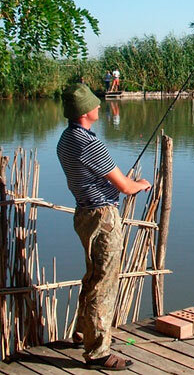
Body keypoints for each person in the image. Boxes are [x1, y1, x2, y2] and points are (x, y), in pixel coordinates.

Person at [56, 84, 151, 370]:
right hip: (102, 218)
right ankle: (98, 352)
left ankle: (84, 332)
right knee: (104, 282)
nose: (100, 108)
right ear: (85, 112)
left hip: (84, 214)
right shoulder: (89, 143)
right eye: (95, 105)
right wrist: (140, 185)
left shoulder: (66, 138)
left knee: (93, 275)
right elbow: (124, 186)